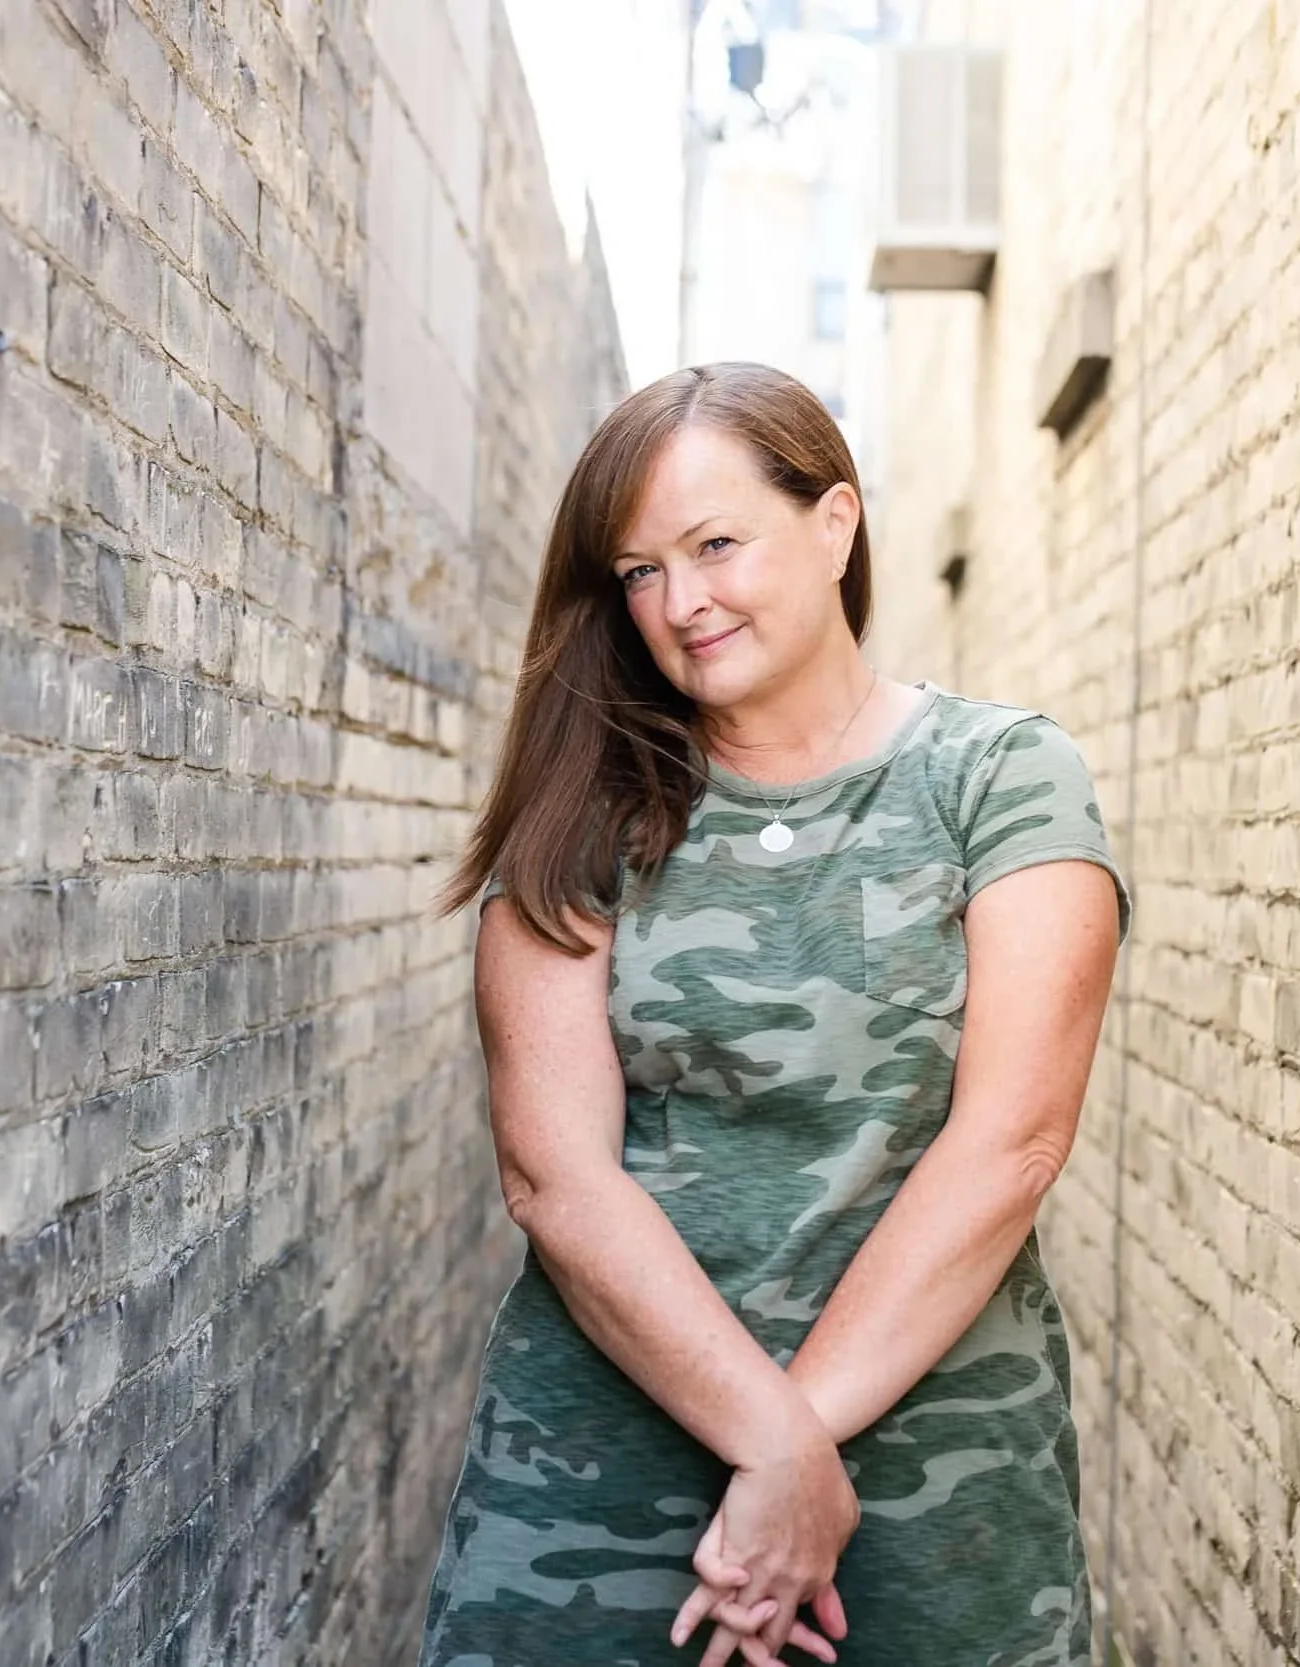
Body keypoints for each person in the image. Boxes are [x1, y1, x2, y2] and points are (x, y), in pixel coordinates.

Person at [417, 362, 1127, 1666]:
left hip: (938, 1475)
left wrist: (800, 1445)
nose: (679, 602)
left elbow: (1013, 1139)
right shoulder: (587, 809)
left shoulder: (1004, 778)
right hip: (598, 1477)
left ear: (836, 522)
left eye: (715, 544)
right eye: (638, 570)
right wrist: (778, 1441)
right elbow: (553, 1174)